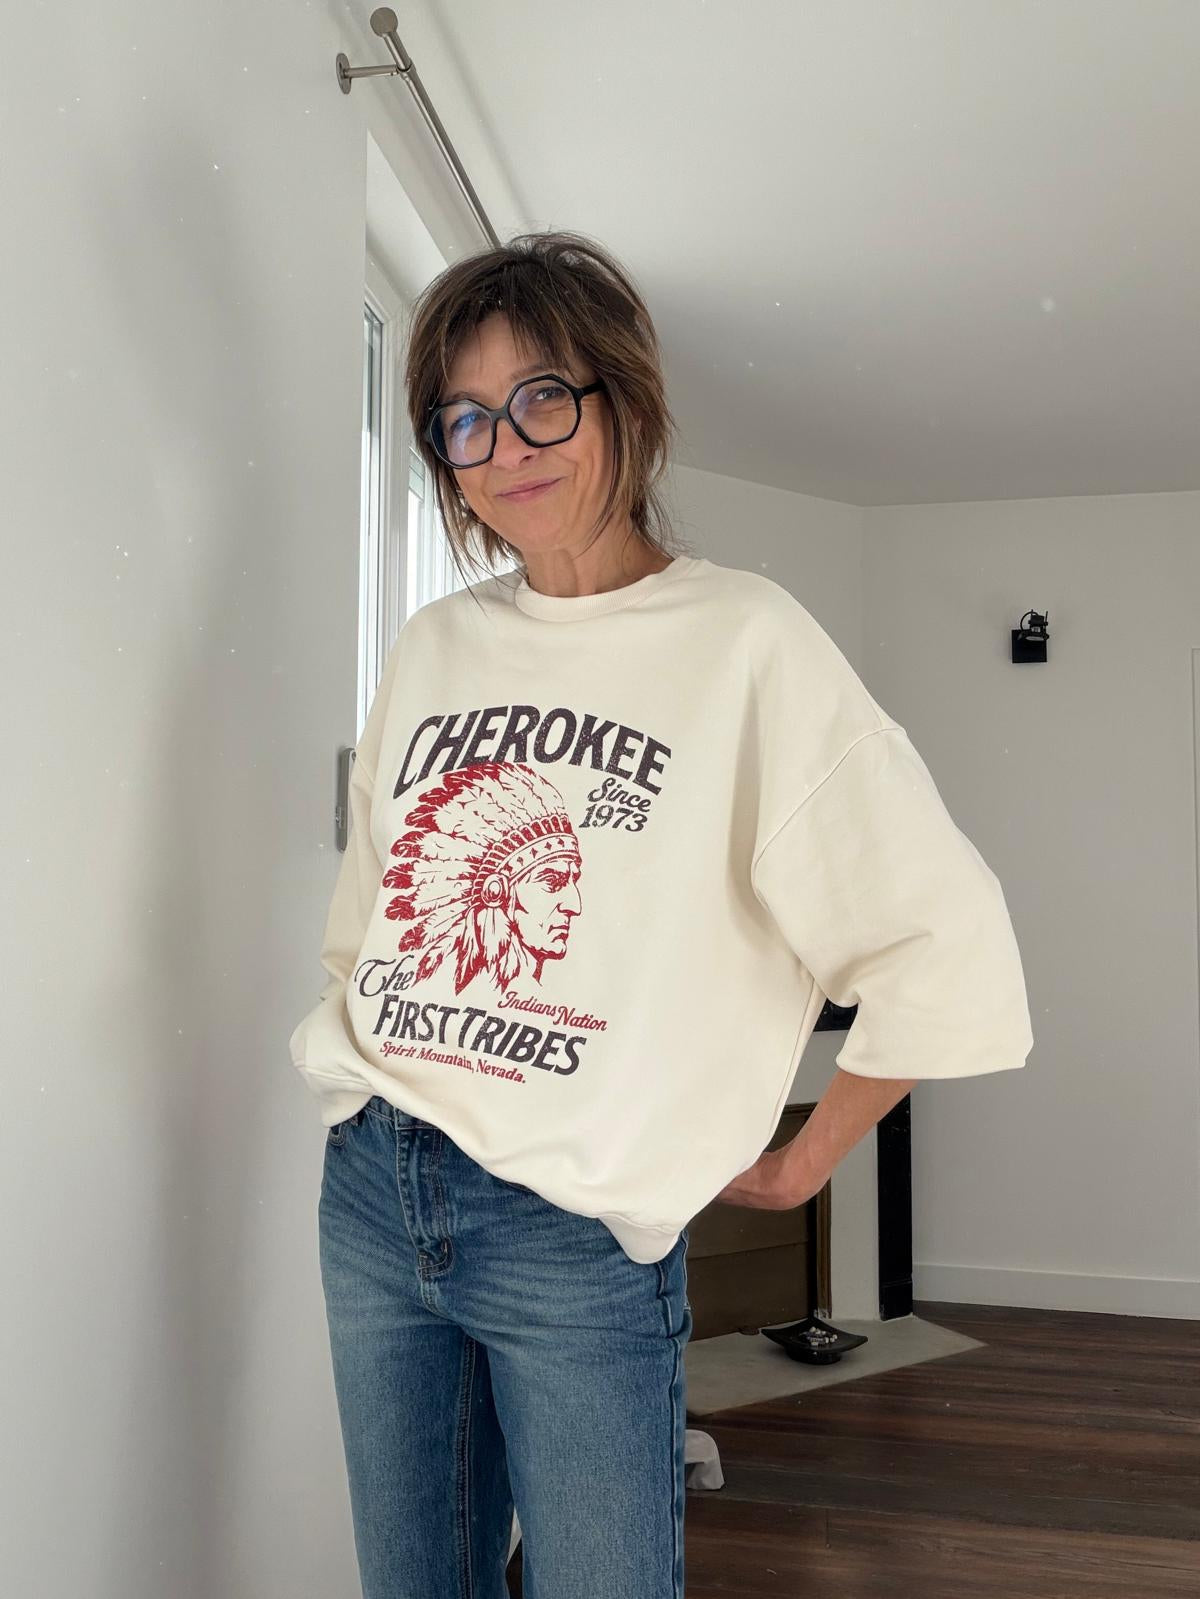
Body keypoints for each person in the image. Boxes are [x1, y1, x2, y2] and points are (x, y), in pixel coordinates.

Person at [289, 230, 1034, 1599]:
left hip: (572, 1229)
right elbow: (371, 916)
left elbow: (944, 934)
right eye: (465, 417)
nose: (506, 446)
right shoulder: (438, 646)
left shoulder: (747, 641)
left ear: (623, 401)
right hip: (375, 1189)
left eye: (542, 398)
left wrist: (805, 1164)